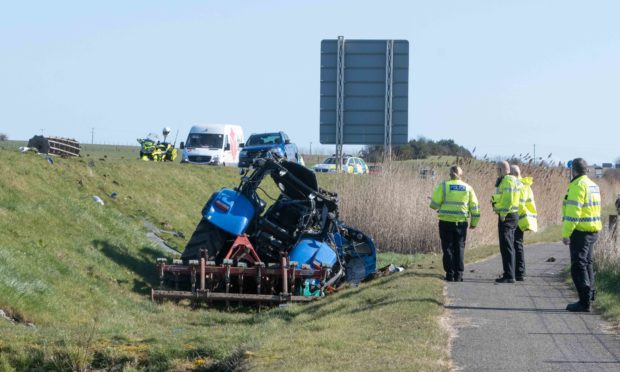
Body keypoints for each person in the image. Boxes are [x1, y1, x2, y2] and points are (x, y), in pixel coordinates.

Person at [563, 158, 602, 312]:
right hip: (593, 230)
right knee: (587, 264)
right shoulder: (593, 185)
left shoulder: (578, 186)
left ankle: (584, 302)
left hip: (580, 232)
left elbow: (573, 213)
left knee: (578, 266)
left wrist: (566, 234)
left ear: (574, 170)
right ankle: (589, 296)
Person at [430, 165, 480, 282]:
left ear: (450, 174)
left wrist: (439, 204)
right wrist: (474, 222)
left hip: (446, 222)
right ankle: (459, 275)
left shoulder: (443, 186)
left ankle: (449, 274)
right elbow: (475, 207)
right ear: (461, 174)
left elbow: (433, 205)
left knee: (447, 248)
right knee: (460, 247)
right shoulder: (468, 188)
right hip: (461, 223)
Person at [491, 161, 521, 283]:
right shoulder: (513, 180)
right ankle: (510, 273)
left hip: (507, 216)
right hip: (513, 215)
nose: (496, 172)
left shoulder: (507, 180)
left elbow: (507, 200)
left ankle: (509, 275)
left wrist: (502, 214)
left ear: (500, 169)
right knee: (509, 246)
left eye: (497, 170)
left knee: (506, 246)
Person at [510, 164, 538, 281]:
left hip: (517, 218)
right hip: (523, 219)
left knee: (516, 245)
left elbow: (518, 204)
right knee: (518, 245)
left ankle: (519, 272)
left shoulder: (518, 185)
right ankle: (520, 272)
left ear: (513, 174)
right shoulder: (526, 186)